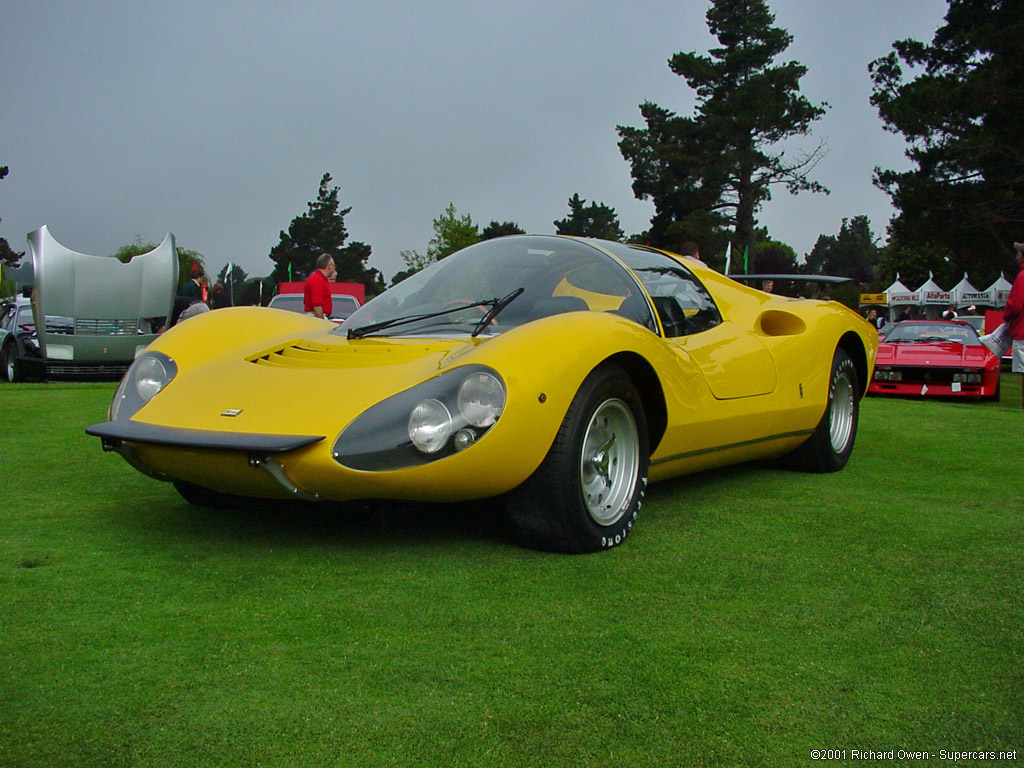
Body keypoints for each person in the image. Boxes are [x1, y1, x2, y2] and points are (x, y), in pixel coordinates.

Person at [1005, 242, 1024, 408]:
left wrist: (1007, 317)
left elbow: (1015, 305)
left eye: (1019, 254)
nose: (1017, 257)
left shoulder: (1022, 276)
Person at [304, 253, 336, 319]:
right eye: (334, 265)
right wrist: (322, 322)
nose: (334, 268)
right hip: (316, 316)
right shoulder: (318, 280)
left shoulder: (316, 278)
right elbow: (317, 305)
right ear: (329, 266)